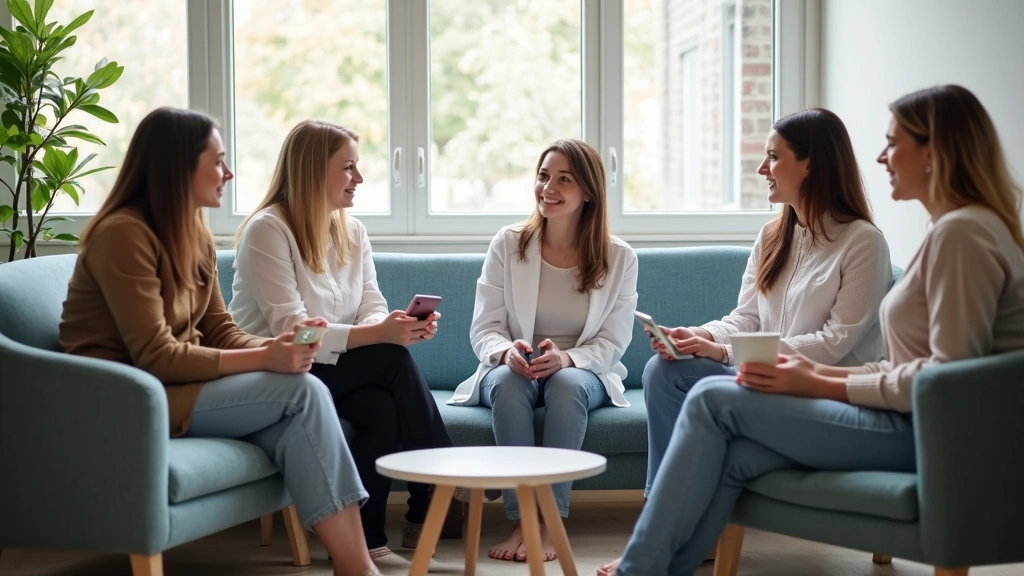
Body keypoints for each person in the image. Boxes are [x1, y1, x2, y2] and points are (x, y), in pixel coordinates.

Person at [602, 85, 1024, 576]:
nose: (881, 157)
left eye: (893, 143)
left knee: (712, 399)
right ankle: (659, 560)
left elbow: (943, 382)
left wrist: (816, 380)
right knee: (730, 449)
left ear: (933, 152)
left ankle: (638, 567)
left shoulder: (953, 234)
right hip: (903, 415)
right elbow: (918, 370)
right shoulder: (952, 230)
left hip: (922, 431)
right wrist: (706, 339)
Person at [58, 107, 382, 576]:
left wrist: (274, 350)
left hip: (179, 387)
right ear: (178, 167)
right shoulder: (123, 235)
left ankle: (354, 564)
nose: (228, 173)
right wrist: (266, 358)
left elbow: (219, 330)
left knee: (297, 414)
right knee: (304, 392)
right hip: (129, 397)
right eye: (218, 161)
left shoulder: (195, 234)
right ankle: (360, 569)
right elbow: (155, 356)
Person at [599, 107, 892, 575]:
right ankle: (667, 525)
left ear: (810, 164)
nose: (761, 169)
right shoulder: (774, 234)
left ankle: (665, 537)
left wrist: (724, 352)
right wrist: (701, 335)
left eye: (773, 157)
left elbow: (832, 343)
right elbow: (747, 317)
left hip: (821, 391)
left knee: (699, 386)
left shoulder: (862, 242)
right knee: (665, 370)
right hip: (763, 378)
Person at [230, 120, 454, 560]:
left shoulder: (352, 232)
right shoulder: (267, 230)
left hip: (331, 371)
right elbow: (294, 330)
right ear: (314, 171)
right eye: (348, 167)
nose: (360, 178)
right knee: (390, 358)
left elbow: (371, 304)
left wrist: (392, 325)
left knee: (380, 408)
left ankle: (367, 542)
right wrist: (380, 335)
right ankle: (442, 476)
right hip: (276, 373)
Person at [451, 139, 638, 563]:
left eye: (564, 179)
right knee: (508, 383)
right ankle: (522, 520)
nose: (548, 188)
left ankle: (550, 523)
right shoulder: (509, 243)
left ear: (588, 191)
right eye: (543, 176)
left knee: (567, 385)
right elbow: (484, 328)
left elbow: (613, 341)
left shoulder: (619, 257)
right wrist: (506, 353)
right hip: (515, 366)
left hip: (583, 370)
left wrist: (568, 358)